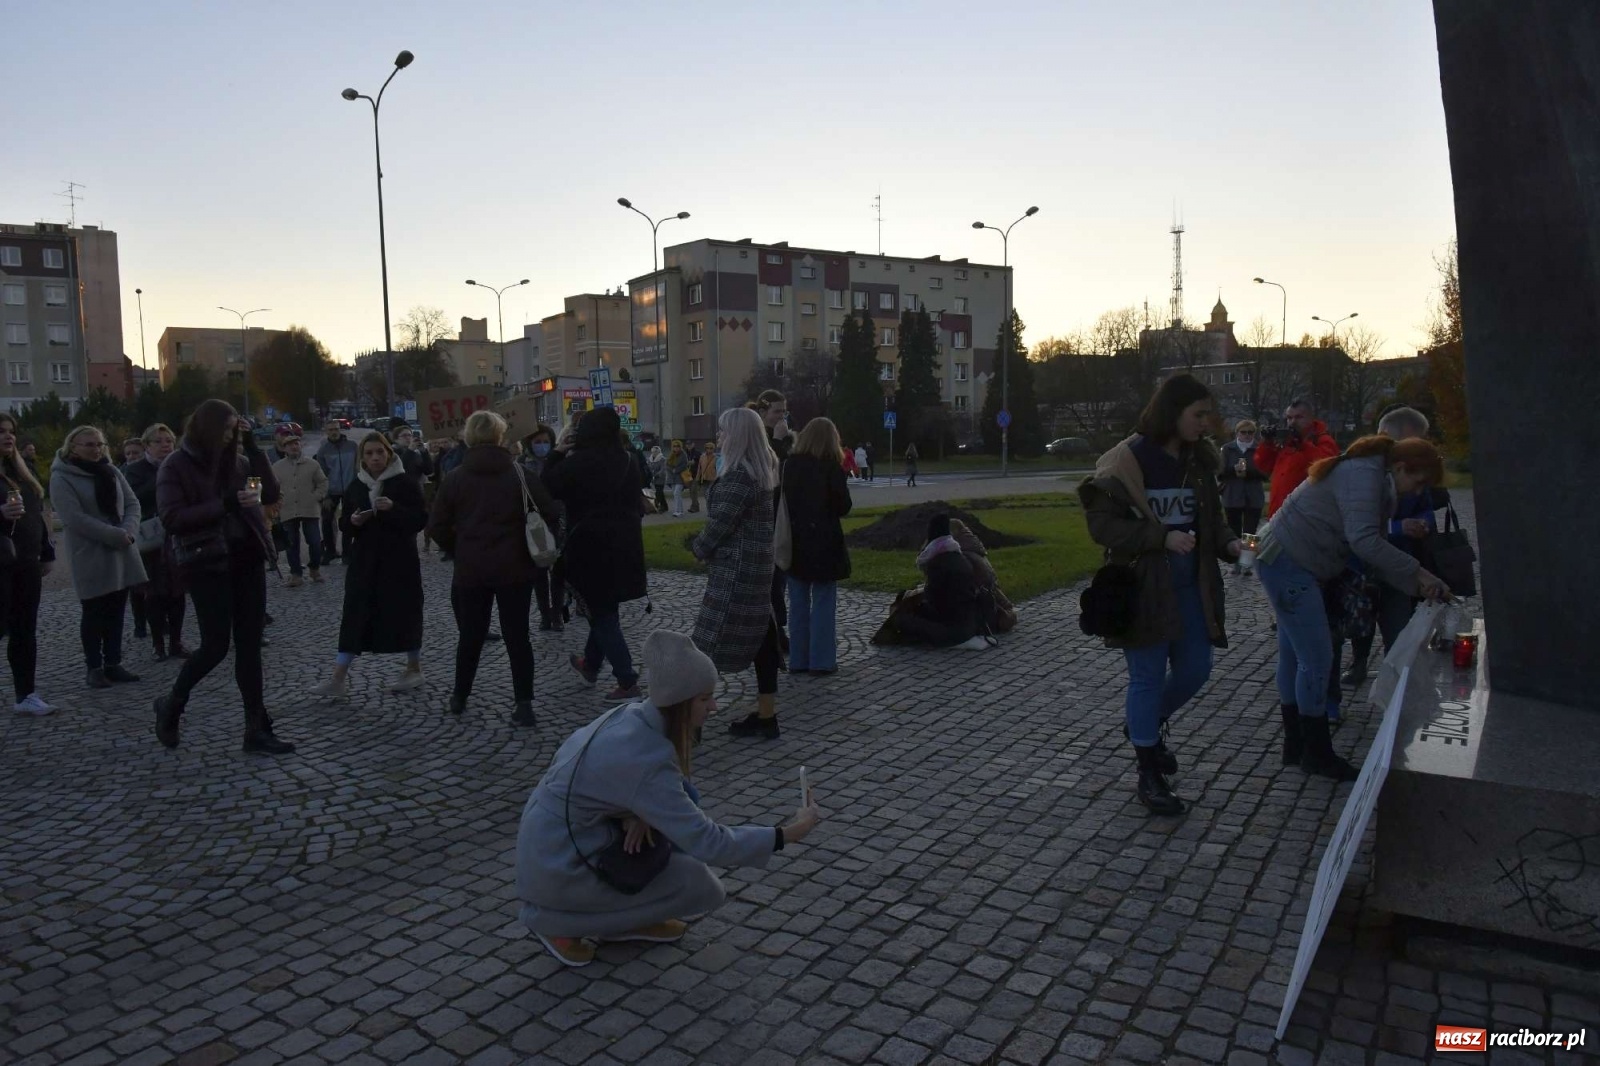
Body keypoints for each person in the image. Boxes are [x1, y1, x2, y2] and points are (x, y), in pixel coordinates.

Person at [514, 630, 822, 967]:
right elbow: (710, 843)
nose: (714, 708)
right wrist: (788, 834)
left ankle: (619, 917)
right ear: (680, 703)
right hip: (558, 868)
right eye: (705, 699)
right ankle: (558, 923)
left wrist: (636, 813)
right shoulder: (647, 760)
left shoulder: (627, 716)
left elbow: (651, 791)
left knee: (673, 844)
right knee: (703, 888)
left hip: (553, 847)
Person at [1078, 374, 1241, 816]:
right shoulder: (1128, 460)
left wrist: (1230, 545)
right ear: (1173, 412)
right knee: (1147, 678)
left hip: (1193, 587)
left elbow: (1214, 520)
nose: (1206, 423)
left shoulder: (1200, 461)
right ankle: (1149, 771)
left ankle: (1143, 724)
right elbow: (1102, 526)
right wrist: (1160, 537)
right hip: (1144, 587)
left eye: (1209, 414)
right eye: (1198, 414)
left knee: (1196, 669)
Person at [1257, 435, 1451, 779]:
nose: (1419, 493)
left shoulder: (1372, 475)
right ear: (1401, 467)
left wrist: (1418, 583)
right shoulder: (1366, 476)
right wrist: (1419, 574)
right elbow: (1365, 541)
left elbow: (1371, 549)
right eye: (1418, 482)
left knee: (1294, 654)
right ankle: (1314, 752)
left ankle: (1296, 745)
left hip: (1285, 557)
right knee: (1316, 658)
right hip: (1289, 562)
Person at [153, 400, 291, 754]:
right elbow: (172, 518)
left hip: (246, 558)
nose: (231, 436)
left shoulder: (238, 462)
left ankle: (255, 729)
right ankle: (173, 702)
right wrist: (226, 504)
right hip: (206, 563)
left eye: (235, 430)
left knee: (249, 647)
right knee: (215, 646)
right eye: (227, 430)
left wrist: (255, 451)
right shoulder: (177, 465)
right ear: (208, 429)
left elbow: (270, 494)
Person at [428, 410, 558, 725]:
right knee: (518, 637)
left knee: (470, 635)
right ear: (501, 437)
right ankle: (524, 704)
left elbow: (437, 526)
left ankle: (460, 695)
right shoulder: (520, 474)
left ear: (469, 437)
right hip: (515, 569)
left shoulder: (456, 477)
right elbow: (550, 514)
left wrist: (457, 547)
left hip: (471, 569)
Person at [543, 407, 650, 701]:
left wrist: (556, 452)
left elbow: (548, 485)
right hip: (625, 545)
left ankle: (627, 680)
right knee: (605, 607)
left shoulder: (579, 463)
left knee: (602, 613)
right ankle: (590, 664)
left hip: (590, 547)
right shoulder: (628, 460)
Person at [693, 407, 784, 739]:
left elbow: (719, 526)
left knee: (706, 645)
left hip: (736, 575)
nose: (718, 437)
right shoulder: (762, 471)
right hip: (758, 570)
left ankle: (692, 721)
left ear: (738, 435)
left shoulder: (739, 478)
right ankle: (766, 714)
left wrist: (699, 549)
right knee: (762, 643)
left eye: (723, 431)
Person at [315, 432, 428, 699]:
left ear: (388, 453)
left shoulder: (405, 483)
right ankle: (338, 678)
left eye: (380, 452)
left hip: (399, 562)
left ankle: (414, 667)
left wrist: (393, 509)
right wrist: (353, 522)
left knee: (406, 612)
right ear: (362, 458)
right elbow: (343, 524)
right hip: (364, 562)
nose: (375, 458)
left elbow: (420, 519)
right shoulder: (357, 485)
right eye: (369, 453)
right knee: (355, 614)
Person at [1339, 406, 1446, 686]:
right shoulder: (1366, 474)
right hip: (1363, 563)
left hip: (1400, 561)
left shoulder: (1415, 472)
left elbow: (1427, 508)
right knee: (1359, 619)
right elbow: (1359, 529)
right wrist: (1398, 527)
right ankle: (1358, 663)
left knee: (1398, 622)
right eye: (1414, 442)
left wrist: (1422, 524)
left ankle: (1396, 677)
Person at [50, 426, 148, 690]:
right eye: (89, 445)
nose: (96, 450)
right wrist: (114, 534)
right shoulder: (62, 477)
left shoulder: (111, 470)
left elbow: (132, 503)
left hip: (121, 547)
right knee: (94, 611)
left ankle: (113, 662)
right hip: (90, 551)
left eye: (99, 444)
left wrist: (128, 530)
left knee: (117, 608)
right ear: (73, 447)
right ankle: (94, 666)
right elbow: (74, 518)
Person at [780, 417, 852, 675]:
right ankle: (821, 660)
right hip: (824, 542)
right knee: (823, 601)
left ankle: (798, 659)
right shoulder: (830, 467)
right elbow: (843, 505)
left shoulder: (790, 465)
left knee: (797, 603)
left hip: (795, 540)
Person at [0, 413, 56, 714]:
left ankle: (26, 694)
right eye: (0, 432)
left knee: (24, 630)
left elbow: (35, 515)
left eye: (11, 431)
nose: (8, 437)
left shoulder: (21, 473)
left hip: (25, 561)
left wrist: (46, 551)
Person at [122, 423, 190, 660]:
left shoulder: (180, 465)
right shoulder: (135, 470)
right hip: (150, 538)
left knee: (178, 591)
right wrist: (163, 475)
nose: (165, 446)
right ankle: (158, 643)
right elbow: (134, 498)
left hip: (177, 534)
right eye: (158, 441)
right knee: (155, 593)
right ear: (147, 445)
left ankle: (177, 641)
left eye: (169, 441)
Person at [893, 515, 985, 649]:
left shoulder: (937, 563)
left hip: (952, 630)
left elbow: (934, 601)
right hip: (969, 624)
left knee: (902, 619)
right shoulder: (961, 558)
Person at [518, 425, 567, 631]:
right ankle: (544, 614)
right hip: (534, 523)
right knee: (539, 571)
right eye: (537, 442)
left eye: (545, 441)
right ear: (529, 444)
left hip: (558, 521)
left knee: (559, 571)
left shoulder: (559, 462)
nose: (542, 446)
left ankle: (557, 613)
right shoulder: (521, 465)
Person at [1255, 399, 1338, 516]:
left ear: (1311, 418)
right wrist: (1267, 444)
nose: (1293, 422)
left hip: (1306, 515)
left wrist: (1302, 444)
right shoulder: (1287, 441)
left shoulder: (1322, 440)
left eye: (1299, 417)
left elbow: (1325, 465)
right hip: (1279, 512)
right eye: (1289, 418)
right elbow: (1263, 466)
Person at [270, 432, 328, 588]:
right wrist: (276, 504)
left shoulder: (312, 464)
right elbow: (273, 488)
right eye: (290, 445)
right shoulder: (277, 467)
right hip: (288, 509)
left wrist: (316, 496)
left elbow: (323, 482)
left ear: (300, 445)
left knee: (315, 542)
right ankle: (296, 574)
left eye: (296, 444)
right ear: (284, 449)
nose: (294, 447)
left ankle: (314, 569)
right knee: (291, 544)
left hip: (309, 508)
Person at [1218, 419, 1268, 576]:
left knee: (1250, 532)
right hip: (1232, 495)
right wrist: (1234, 470)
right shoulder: (1227, 449)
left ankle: (1246, 563)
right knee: (1233, 530)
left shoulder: (1260, 449)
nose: (1247, 436)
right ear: (1237, 433)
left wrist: (1249, 473)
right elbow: (1220, 472)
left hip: (1253, 496)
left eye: (1250, 432)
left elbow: (1266, 473)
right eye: (1243, 432)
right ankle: (1235, 563)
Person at [315, 420, 358, 562]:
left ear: (340, 430)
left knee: (348, 521)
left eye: (336, 429)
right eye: (330, 430)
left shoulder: (352, 446)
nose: (333, 432)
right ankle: (330, 551)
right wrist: (325, 495)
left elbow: (358, 468)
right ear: (326, 431)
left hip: (350, 489)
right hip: (331, 491)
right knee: (327, 521)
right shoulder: (323, 451)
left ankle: (347, 552)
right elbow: (321, 475)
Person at [665, 440, 691, 517]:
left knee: (677, 493)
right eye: (674, 446)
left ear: (680, 447)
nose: (676, 448)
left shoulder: (683, 455)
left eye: (678, 446)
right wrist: (671, 470)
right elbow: (667, 464)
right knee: (675, 494)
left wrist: (676, 470)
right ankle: (678, 510)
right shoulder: (671, 455)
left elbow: (684, 465)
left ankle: (679, 511)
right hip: (672, 478)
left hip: (680, 477)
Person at [691, 440, 716, 514]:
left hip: (713, 479)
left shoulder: (716, 457)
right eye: (707, 448)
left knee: (712, 495)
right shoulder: (702, 457)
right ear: (705, 448)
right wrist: (698, 478)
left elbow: (718, 468)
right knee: (706, 495)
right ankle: (709, 511)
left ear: (713, 449)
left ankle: (713, 510)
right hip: (704, 478)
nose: (709, 449)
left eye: (711, 448)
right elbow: (699, 468)